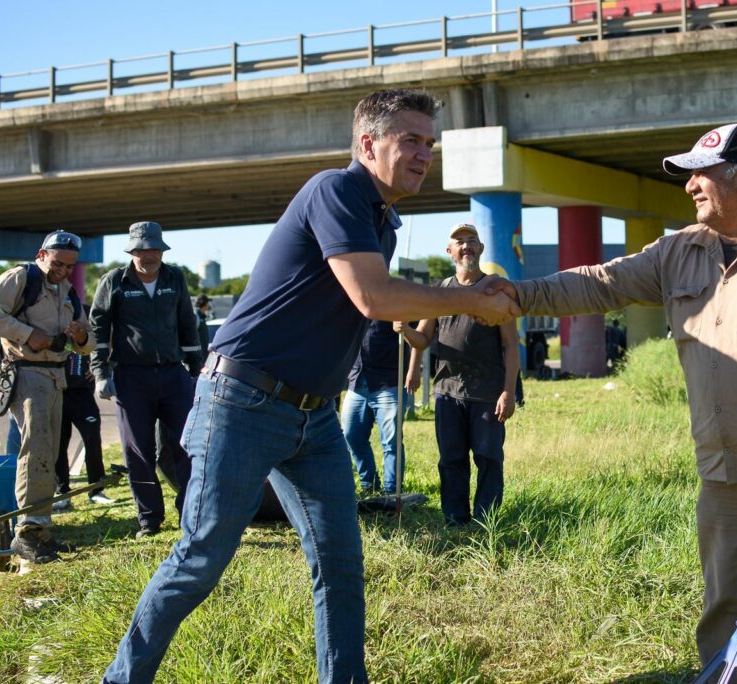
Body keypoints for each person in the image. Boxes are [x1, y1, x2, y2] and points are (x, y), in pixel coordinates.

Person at [101, 88, 519, 684]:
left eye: (430, 143)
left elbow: (368, 305)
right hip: (242, 402)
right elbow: (373, 298)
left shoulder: (383, 223)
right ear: (368, 144)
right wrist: (469, 299)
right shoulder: (336, 190)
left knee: (341, 563)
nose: (426, 154)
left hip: (314, 418)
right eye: (412, 141)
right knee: (199, 559)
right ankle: (122, 678)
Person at [486, 123, 737, 682]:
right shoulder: (676, 251)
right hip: (724, 473)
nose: (689, 187)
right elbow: (601, 283)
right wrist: (520, 295)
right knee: (729, 616)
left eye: (701, 174)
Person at [0, 230, 94, 563]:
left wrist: (81, 335)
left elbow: (87, 344)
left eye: (69, 266)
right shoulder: (20, 277)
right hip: (26, 373)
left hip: (57, 377)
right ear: (41, 254)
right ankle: (27, 534)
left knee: (47, 452)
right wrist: (29, 334)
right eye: (58, 264)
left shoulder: (67, 290)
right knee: (36, 450)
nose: (62, 272)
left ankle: (39, 532)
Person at [401, 223, 520, 527]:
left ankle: (485, 521)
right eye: (459, 242)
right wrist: (405, 331)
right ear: (450, 252)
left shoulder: (496, 287)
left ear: (480, 248)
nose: (466, 246)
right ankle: (455, 519)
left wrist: (509, 390)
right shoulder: (439, 291)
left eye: (471, 241)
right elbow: (424, 339)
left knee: (488, 457)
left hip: (488, 392)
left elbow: (510, 343)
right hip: (447, 391)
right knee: (451, 459)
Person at [89, 221, 202, 538]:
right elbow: (99, 331)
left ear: (161, 250)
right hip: (131, 378)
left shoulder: (175, 278)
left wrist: (196, 369)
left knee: (187, 446)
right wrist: (100, 373)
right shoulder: (114, 281)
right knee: (139, 451)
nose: (147, 255)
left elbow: (187, 325)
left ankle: (190, 515)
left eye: (153, 249)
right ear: (132, 251)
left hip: (173, 374)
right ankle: (149, 521)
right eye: (141, 249)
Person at [340, 319, 418, 496]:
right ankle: (369, 483)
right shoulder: (357, 300)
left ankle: (392, 491)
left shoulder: (397, 296)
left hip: (389, 380)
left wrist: (414, 370)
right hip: (358, 380)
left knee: (391, 441)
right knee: (351, 435)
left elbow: (418, 337)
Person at [53, 344, 115, 510]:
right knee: (59, 445)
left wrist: (100, 368)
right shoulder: (50, 322)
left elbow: (105, 343)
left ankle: (96, 490)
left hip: (82, 395)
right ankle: (62, 492)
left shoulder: (82, 319)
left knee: (92, 440)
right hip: (57, 392)